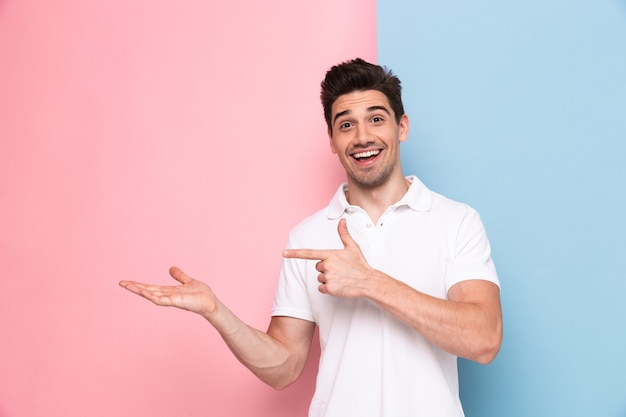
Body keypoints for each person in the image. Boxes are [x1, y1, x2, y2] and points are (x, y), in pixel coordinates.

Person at [119, 58, 503, 417]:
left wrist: (371, 283)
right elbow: (284, 367)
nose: (362, 136)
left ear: (401, 127)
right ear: (332, 139)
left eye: (376, 118)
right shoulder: (309, 235)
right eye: (346, 124)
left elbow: (484, 338)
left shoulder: (456, 221)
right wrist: (217, 313)